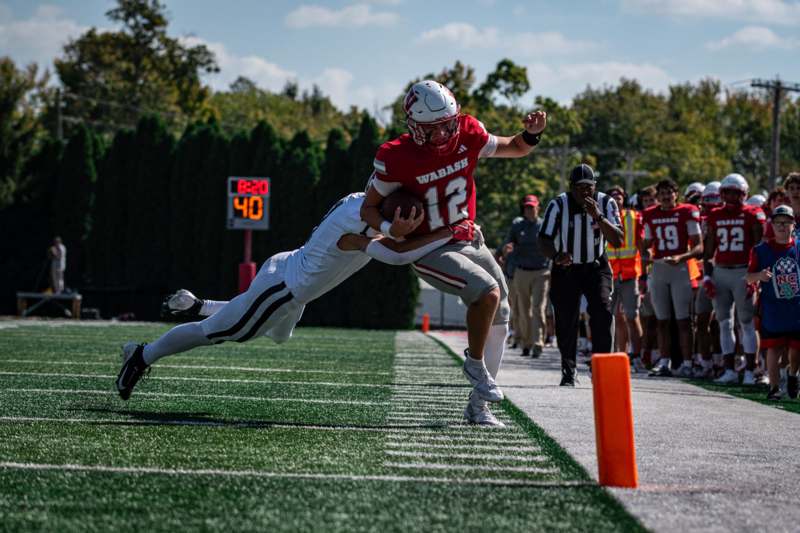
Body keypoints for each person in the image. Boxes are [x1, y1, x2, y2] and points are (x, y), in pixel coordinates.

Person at [116, 191, 467, 402]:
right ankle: (142, 355)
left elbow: (396, 234)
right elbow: (396, 254)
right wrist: (449, 232)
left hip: (287, 272)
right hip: (283, 290)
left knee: (278, 335)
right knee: (219, 333)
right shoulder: (356, 227)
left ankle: (199, 305)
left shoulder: (361, 203)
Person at [360, 79, 547, 425]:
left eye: (449, 124)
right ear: (415, 127)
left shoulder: (469, 132)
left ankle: (478, 406)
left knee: (502, 309)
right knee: (487, 293)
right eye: (436, 128)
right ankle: (474, 364)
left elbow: (515, 147)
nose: (446, 133)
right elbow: (368, 209)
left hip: (465, 235)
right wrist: (390, 229)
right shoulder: (395, 156)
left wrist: (532, 134)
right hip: (429, 246)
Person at [539, 164, 623, 386]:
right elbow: (544, 238)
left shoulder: (607, 202)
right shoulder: (558, 204)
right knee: (566, 319)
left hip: (596, 265)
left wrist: (598, 216)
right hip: (566, 267)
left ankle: (601, 368)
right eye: (580, 188)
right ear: (571, 188)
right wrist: (557, 256)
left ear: (595, 186)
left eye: (589, 187)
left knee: (603, 313)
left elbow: (617, 240)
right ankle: (569, 369)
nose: (585, 192)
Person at [703, 173, 765, 385]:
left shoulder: (753, 213)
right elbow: (709, 247)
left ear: (744, 194)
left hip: (743, 272)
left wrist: (754, 276)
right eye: (726, 192)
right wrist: (707, 276)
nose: (730, 196)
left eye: (735, 192)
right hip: (721, 271)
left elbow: (759, 248)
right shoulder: (714, 215)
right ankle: (729, 370)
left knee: (746, 323)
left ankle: (750, 370)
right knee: (724, 322)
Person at [641, 179, 703, 378]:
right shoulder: (650, 214)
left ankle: (687, 363)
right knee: (662, 320)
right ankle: (665, 361)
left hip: (680, 269)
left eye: (670, 193)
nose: (666, 197)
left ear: (676, 194)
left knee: (684, 320)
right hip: (659, 269)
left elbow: (699, 247)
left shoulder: (687, 212)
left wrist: (681, 257)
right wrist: (647, 252)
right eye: (662, 194)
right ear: (657, 197)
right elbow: (647, 244)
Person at [746, 205, 800, 400]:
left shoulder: (799, 247)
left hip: (796, 309)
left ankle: (793, 375)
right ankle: (774, 388)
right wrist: (759, 275)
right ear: (772, 225)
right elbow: (748, 277)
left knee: (796, 351)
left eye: (786, 222)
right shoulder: (761, 250)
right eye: (778, 222)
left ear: (793, 225)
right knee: (773, 348)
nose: (782, 226)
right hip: (772, 308)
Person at [503, 194, 551, 357]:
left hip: (541, 271)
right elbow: (508, 243)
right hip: (521, 271)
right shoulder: (518, 226)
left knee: (538, 308)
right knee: (524, 310)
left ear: (538, 208)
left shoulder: (545, 225)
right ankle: (526, 342)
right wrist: (506, 250)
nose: (529, 210)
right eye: (526, 207)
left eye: (532, 207)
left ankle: (538, 343)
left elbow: (554, 245)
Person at [605, 185, 644, 371]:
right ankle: (609, 355)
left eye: (619, 195)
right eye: (613, 196)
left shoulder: (635, 217)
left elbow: (642, 246)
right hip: (609, 274)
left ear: (624, 198)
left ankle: (637, 356)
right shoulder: (601, 217)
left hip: (629, 274)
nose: (617, 198)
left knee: (632, 316)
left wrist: (644, 274)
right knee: (608, 317)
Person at [693, 181, 723, 378]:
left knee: (723, 322)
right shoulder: (699, 219)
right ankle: (705, 361)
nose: (711, 205)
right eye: (708, 200)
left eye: (715, 200)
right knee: (702, 319)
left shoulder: (727, 218)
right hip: (703, 274)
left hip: (723, 273)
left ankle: (723, 361)